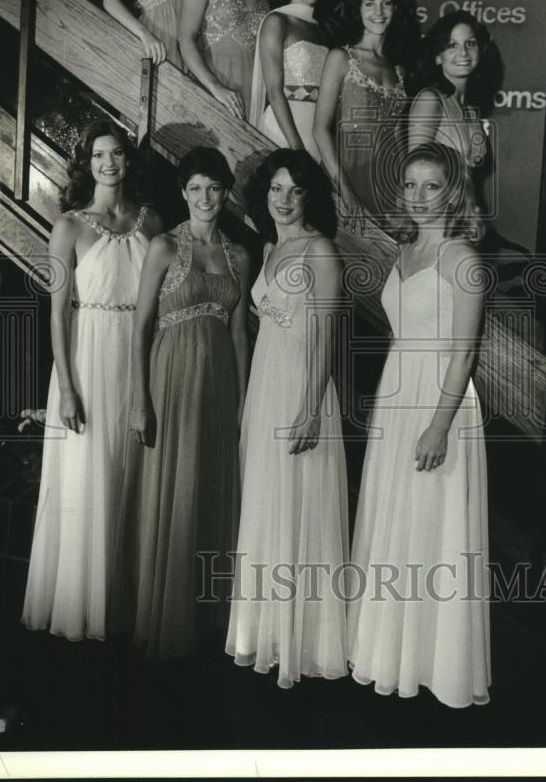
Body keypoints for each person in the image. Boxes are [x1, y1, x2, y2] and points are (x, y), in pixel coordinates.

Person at [348, 142, 491, 707]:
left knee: (433, 532)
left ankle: (431, 664)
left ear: (453, 191)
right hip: (397, 390)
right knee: (395, 521)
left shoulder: (463, 259)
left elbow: (464, 353)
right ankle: (388, 651)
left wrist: (438, 425)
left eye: (432, 186)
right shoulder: (404, 248)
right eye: (410, 185)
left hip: (442, 403)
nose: (419, 197)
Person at [22, 119, 163, 641]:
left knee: (132, 471)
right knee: (91, 473)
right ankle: (82, 607)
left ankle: (126, 603)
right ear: (87, 162)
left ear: (128, 161)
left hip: (138, 349)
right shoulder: (68, 227)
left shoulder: (151, 221)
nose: (110, 163)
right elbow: (57, 313)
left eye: (118, 154)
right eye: (100, 155)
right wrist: (67, 387)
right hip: (88, 352)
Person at [117, 147, 250, 660]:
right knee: (174, 486)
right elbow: (140, 324)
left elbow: (240, 335)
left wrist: (243, 403)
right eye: (195, 189)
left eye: (214, 188)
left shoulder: (239, 255)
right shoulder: (165, 246)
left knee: (208, 487)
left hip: (219, 385)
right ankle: (163, 620)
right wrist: (138, 399)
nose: (205, 198)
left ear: (226, 192)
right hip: (170, 379)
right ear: (183, 193)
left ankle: (203, 618)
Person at [226, 149, 349, 688]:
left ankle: (304, 641)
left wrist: (309, 408)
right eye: (275, 189)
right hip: (266, 385)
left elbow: (325, 337)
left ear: (309, 197)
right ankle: (265, 632)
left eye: (294, 190)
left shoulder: (320, 251)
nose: (283, 199)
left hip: (303, 390)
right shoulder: (272, 247)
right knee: (268, 502)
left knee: (299, 504)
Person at [313, 0, 414, 227]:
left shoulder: (399, 68)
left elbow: (398, 139)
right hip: (345, 178)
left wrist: (406, 192)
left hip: (388, 186)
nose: (378, 12)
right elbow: (320, 130)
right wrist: (345, 191)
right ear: (358, 9)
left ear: (395, 7)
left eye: (386, 2)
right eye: (369, 3)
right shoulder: (341, 57)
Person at [247, 0, 330, 159]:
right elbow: (274, 91)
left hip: (315, 131)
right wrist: (296, 148)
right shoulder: (277, 21)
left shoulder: (320, 30)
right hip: (284, 131)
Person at [407, 10, 503, 191]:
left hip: (466, 211)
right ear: (437, 56)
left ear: (480, 51)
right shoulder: (430, 100)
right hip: (438, 213)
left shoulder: (471, 109)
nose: (464, 52)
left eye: (470, 43)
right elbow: (415, 174)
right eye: (452, 45)